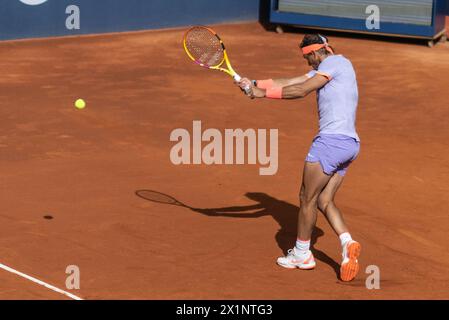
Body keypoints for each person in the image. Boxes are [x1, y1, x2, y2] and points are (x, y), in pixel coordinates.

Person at [238, 34, 361, 282]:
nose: (307, 63)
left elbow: (302, 89)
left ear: (316, 53)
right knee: (324, 200)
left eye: (307, 58)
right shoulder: (338, 65)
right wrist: (253, 83)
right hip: (350, 144)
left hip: (330, 143)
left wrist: (262, 95)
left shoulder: (331, 64)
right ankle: (348, 243)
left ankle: (302, 254)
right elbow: (293, 80)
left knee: (307, 198)